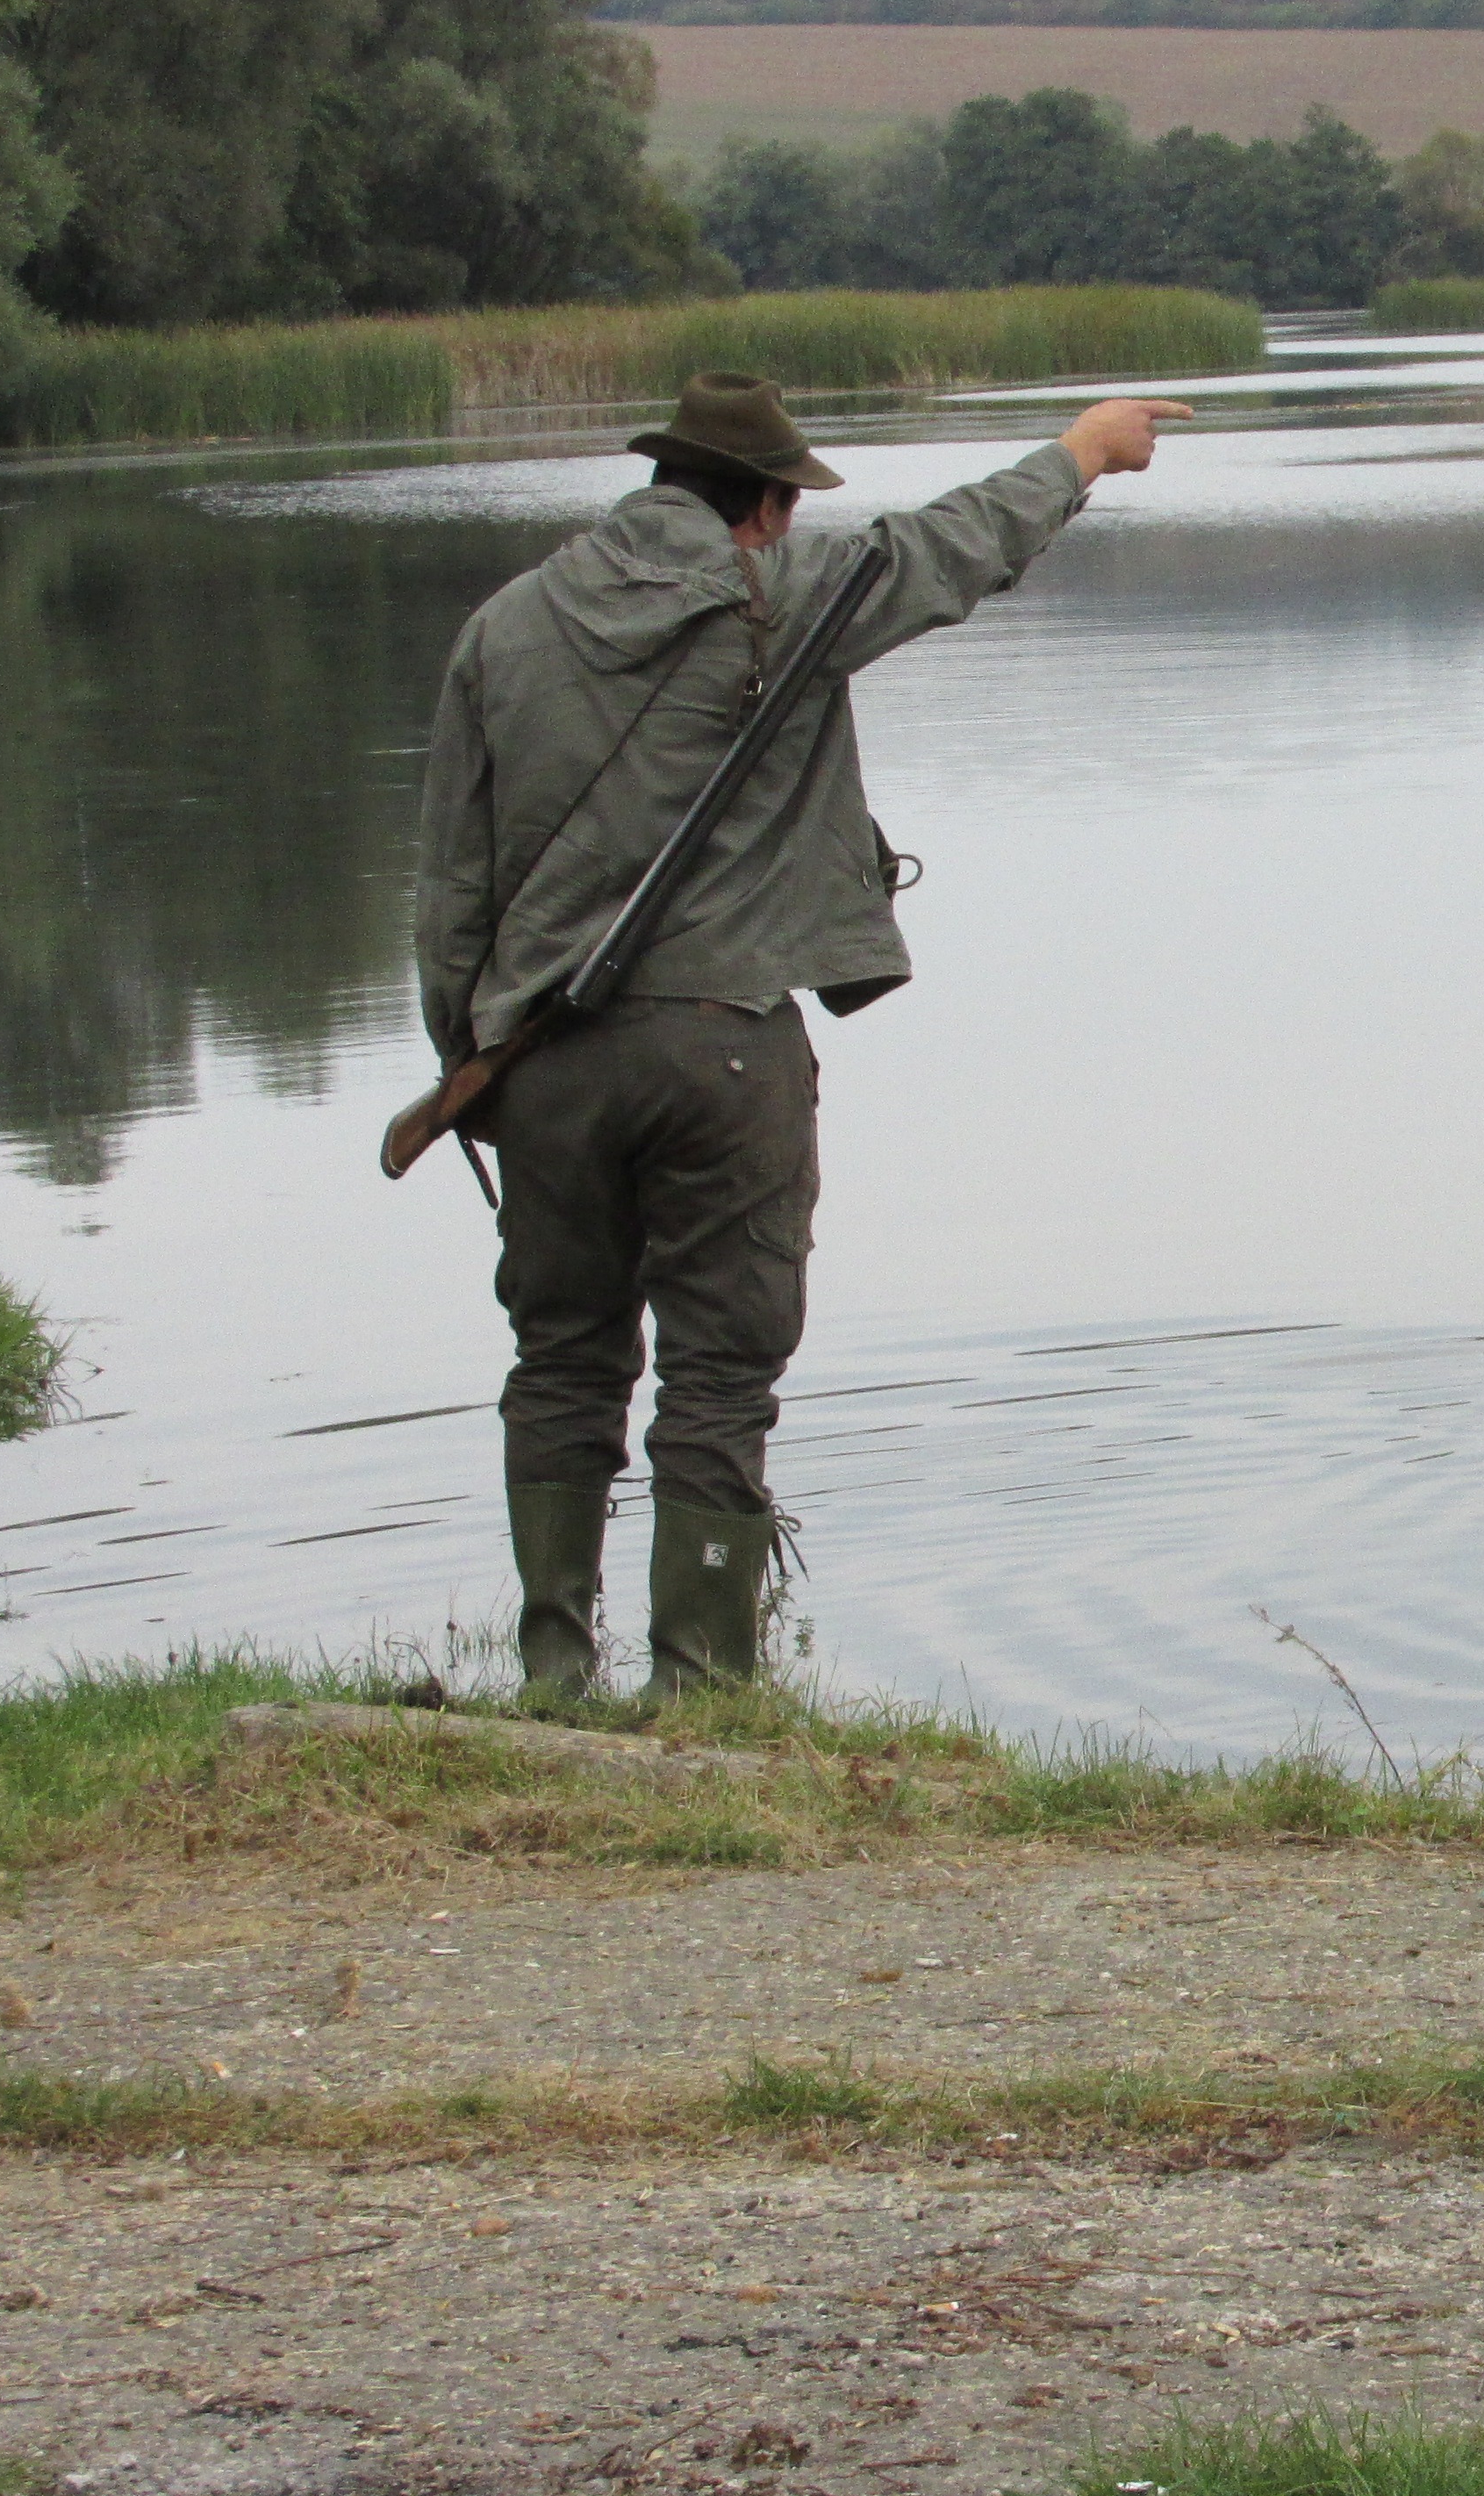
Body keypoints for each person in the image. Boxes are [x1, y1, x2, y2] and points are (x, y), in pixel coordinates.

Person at [413, 371, 1189, 1704]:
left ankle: (550, 1677)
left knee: (560, 1358)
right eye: (787, 502)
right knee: (717, 1373)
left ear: (661, 483)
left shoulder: (503, 629)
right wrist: (1083, 454)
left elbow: (450, 893)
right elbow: (952, 550)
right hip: (725, 1051)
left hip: (536, 1064)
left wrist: (468, 1069)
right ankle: (702, 1693)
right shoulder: (788, 598)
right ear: (766, 508)